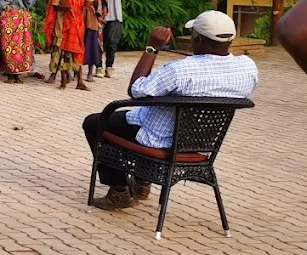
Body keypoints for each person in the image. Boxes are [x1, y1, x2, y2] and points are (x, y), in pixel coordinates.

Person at [84, 11, 258, 211]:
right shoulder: (247, 68)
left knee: (95, 122)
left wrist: (152, 48)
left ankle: (119, 192)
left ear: (198, 40)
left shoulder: (181, 70)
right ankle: (141, 184)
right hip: (202, 145)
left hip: (161, 139)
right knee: (130, 119)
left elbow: (136, 90)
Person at [45, 0, 92, 90]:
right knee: (62, 52)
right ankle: (63, 81)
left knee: (78, 51)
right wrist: (66, 8)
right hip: (63, 24)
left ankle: (80, 82)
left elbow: (88, 1)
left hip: (78, 23)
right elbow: (55, 3)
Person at [82, 0, 107, 81]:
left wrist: (99, 19)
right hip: (79, 20)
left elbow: (102, 8)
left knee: (92, 46)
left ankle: (89, 73)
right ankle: (76, 72)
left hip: (92, 21)